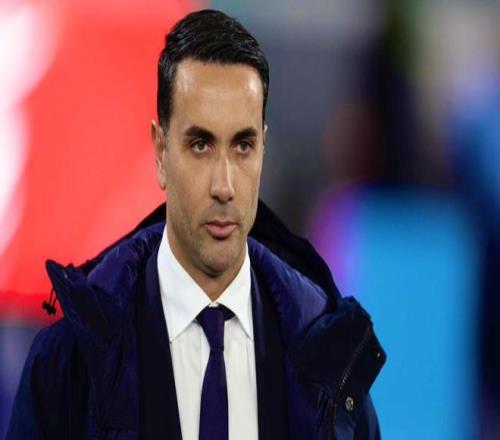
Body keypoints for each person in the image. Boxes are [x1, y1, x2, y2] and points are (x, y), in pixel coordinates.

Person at [7, 9, 386, 440]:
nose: (224, 185)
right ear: (160, 151)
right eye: (201, 145)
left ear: (264, 149)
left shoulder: (333, 362)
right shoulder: (67, 363)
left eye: (243, 146)